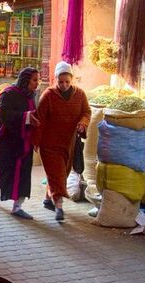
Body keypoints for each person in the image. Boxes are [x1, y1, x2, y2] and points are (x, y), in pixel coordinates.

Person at [34, 61, 91, 221]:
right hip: (49, 144)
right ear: (55, 80)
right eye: (60, 82)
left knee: (60, 174)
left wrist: (82, 123)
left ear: (71, 79)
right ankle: (59, 207)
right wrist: (35, 141)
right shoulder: (48, 95)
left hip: (69, 143)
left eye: (67, 81)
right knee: (57, 174)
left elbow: (86, 112)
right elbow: (40, 119)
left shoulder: (79, 94)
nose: (64, 85)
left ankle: (47, 199)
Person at [0, 67, 41, 220]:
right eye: (34, 80)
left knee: (23, 174)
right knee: (2, 170)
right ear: (26, 80)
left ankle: (17, 207)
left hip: (23, 143)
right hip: (6, 141)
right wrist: (26, 117)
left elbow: (35, 117)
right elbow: (3, 114)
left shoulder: (31, 97)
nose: (37, 83)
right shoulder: (8, 93)